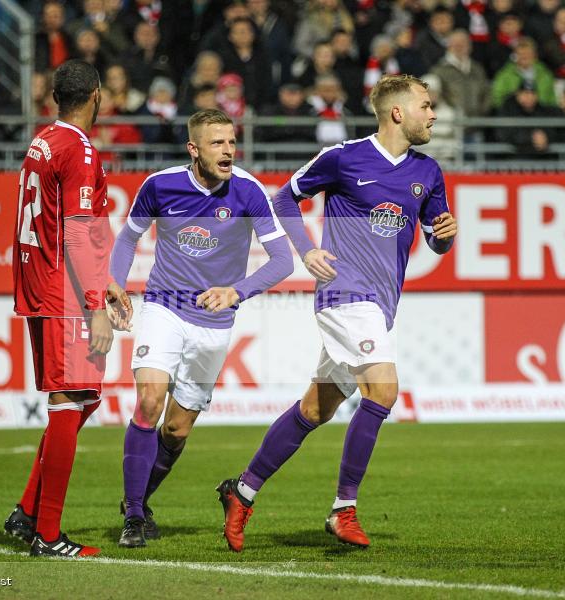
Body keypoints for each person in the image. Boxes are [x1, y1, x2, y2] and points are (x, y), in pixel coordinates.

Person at [217, 74, 458, 552]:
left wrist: (444, 237)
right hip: (344, 296)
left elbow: (435, 236)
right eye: (426, 106)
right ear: (397, 112)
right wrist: (306, 250)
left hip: (380, 305)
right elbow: (283, 198)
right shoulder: (344, 157)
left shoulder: (428, 172)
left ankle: (240, 492)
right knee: (383, 390)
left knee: (315, 408)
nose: (433, 115)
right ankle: (343, 508)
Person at [110, 108, 293, 548]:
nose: (228, 150)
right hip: (163, 308)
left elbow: (284, 261)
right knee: (150, 400)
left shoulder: (248, 191)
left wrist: (237, 291)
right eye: (217, 143)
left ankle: (139, 501)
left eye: (231, 141)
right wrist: (116, 284)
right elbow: (127, 237)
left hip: (214, 323)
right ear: (194, 149)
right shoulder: (159, 185)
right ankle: (134, 517)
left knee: (176, 430)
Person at [3, 59, 132, 559]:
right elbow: (78, 231)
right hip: (62, 291)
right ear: (96, 95)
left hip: (45, 282)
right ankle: (48, 534)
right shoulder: (77, 148)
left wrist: (108, 282)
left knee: (84, 396)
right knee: (69, 401)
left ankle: (29, 511)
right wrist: (96, 303)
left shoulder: (43, 140)